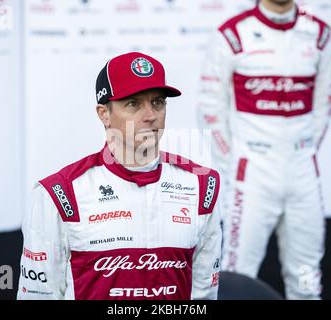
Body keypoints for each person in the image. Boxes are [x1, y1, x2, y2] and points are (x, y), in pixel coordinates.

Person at [17, 52, 222, 300]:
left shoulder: (201, 186)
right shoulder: (59, 194)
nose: (150, 115)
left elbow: (204, 295)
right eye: (133, 103)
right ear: (103, 113)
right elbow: (38, 295)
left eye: (157, 102)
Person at [197, 0, 331, 299]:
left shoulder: (319, 33)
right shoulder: (233, 34)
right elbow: (210, 110)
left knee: (307, 275)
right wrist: (233, 163)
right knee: (237, 274)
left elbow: (325, 103)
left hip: (302, 172)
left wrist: (304, 150)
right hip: (253, 174)